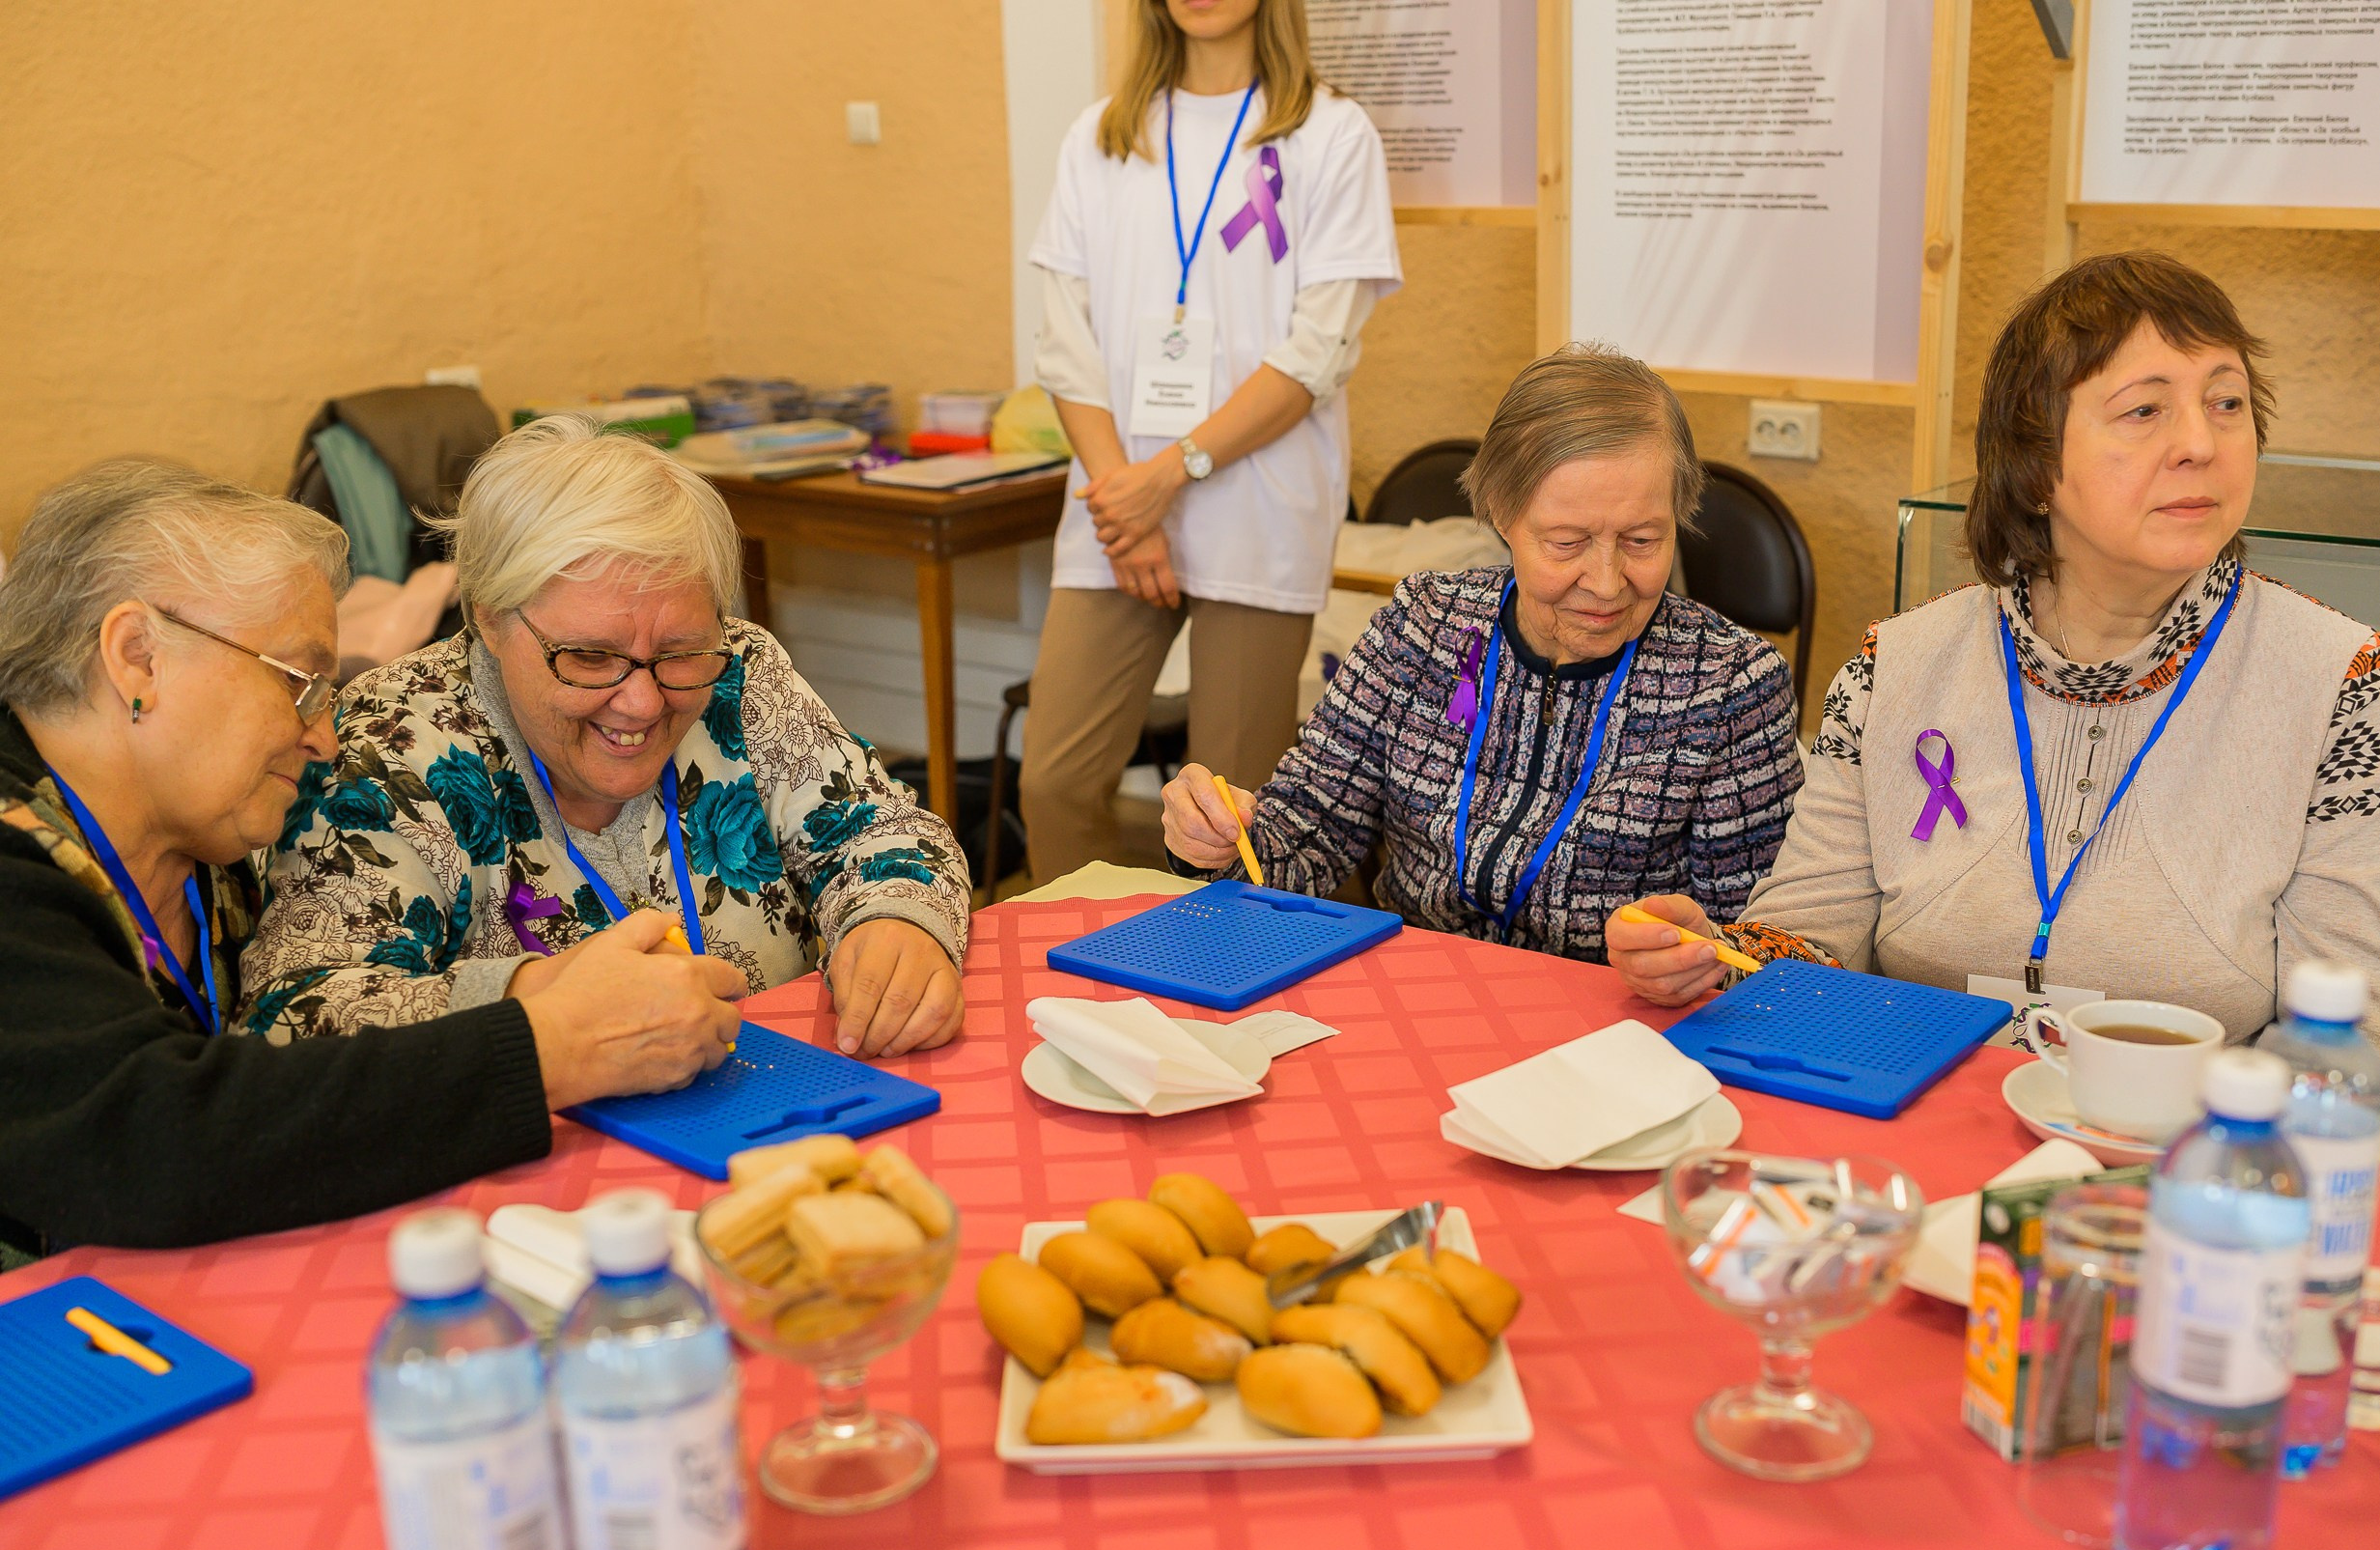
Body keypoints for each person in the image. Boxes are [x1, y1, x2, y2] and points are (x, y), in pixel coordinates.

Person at [1617, 253, 2380, 1064]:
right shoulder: (1894, 666)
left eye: (2227, 402)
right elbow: (1809, 940)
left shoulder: (2336, 680)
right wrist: (1716, 960)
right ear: (2036, 466)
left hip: (2185, 1157)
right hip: (1919, 1127)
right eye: (2145, 410)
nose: (2199, 443)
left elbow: (2352, 1032)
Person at [0, 460, 744, 1257]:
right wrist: (548, 1048)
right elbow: (153, 1144)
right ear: (138, 655)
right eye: (301, 682)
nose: (323, 736)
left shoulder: (201, 847)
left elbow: (264, 1094)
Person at [243, 414, 972, 1060]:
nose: (643, 700)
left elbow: (885, 831)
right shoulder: (389, 747)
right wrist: (535, 1003)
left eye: (680, 649)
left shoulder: (739, 674)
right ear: (489, 617)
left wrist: (898, 917)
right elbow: (297, 1016)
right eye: (590, 656)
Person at [1162, 346, 1806, 973]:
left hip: (1621, 1034)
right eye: (1566, 542)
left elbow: (1761, 942)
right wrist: (1216, 840)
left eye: (1643, 540)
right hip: (1419, 995)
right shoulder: (1423, 627)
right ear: (1502, 512)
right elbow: (1303, 837)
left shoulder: (1730, 686)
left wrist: (1705, 957)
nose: (1607, 583)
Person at [1020, 0, 1402, 882]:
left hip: (1256, 512)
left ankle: (1222, 1004)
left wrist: (1170, 474)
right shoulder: (1101, 138)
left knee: (1228, 818)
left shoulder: (1331, 136)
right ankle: (1085, 990)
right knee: (1055, 781)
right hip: (1116, 515)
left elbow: (1319, 353)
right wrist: (1130, 497)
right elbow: (1064, 341)